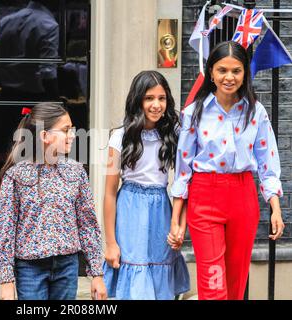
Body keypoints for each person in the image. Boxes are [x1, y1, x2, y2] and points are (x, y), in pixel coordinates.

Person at [169, 41, 285, 300]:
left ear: (245, 74)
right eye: (222, 70)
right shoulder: (194, 113)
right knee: (213, 286)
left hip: (243, 196)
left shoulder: (256, 112)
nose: (229, 77)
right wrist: (177, 220)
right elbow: (183, 170)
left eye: (236, 71)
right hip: (204, 197)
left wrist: (275, 208)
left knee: (235, 285)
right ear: (211, 72)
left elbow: (268, 163)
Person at [0, 103, 107, 300]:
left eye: (72, 129)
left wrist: (96, 274)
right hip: (30, 269)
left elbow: (88, 224)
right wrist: (6, 282)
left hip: (67, 266)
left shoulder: (76, 171)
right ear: (44, 136)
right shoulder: (16, 176)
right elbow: (5, 230)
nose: (72, 135)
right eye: (65, 130)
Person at [102, 70, 190, 300]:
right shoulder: (120, 137)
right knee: (135, 279)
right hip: (130, 210)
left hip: (161, 209)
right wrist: (110, 242)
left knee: (160, 277)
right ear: (137, 100)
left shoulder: (174, 134)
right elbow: (110, 193)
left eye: (161, 98)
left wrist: (180, 224)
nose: (156, 105)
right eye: (149, 98)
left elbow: (185, 181)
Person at [0, 0, 60, 100]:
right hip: (34, 97)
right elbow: (48, 73)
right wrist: (56, 103)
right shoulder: (48, 25)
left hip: (3, 95)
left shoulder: (4, 22)